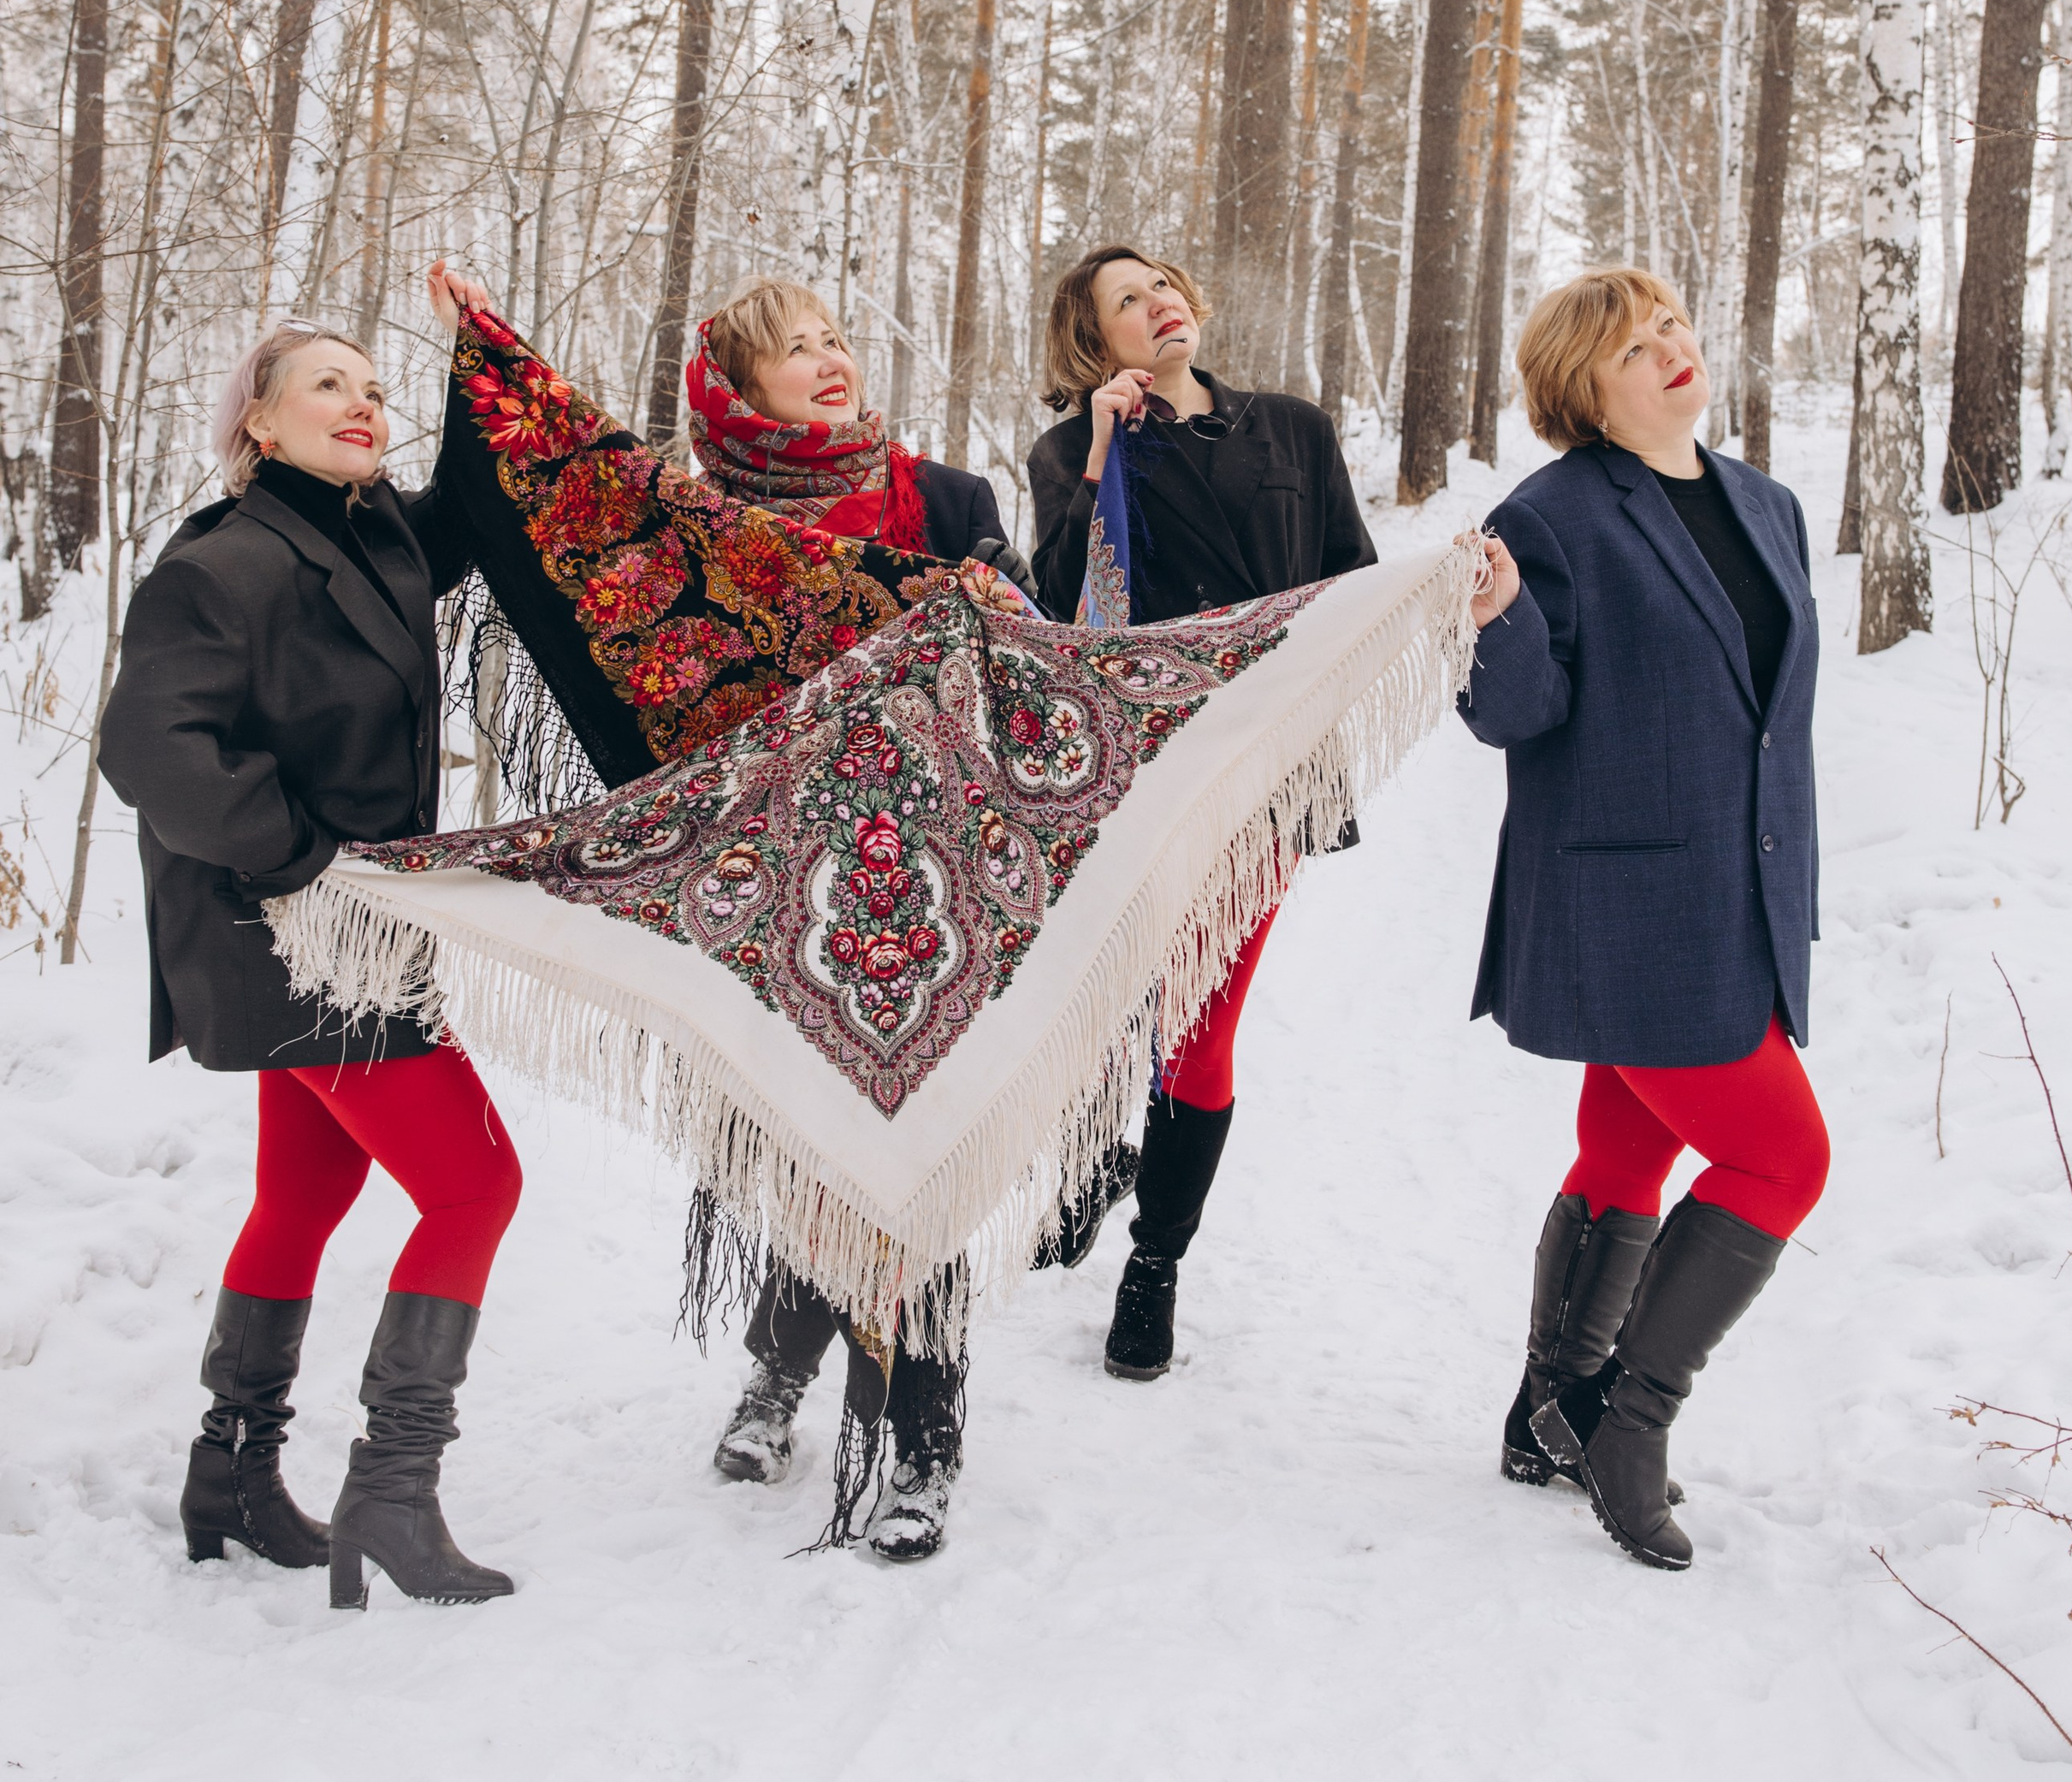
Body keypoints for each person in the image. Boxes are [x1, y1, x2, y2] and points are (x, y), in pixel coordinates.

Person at [433, 266, 1027, 1565]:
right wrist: (485, 358)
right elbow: (557, 526)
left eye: (830, 340)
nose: (827, 361)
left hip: (923, 874)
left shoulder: (946, 502)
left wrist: (989, 612)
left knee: (913, 1153)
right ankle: (780, 1365)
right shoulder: (689, 519)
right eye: (790, 350)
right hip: (758, 887)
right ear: (735, 390)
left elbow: (1030, 661)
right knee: (785, 1147)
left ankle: (923, 1433)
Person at [98, 301, 522, 1609]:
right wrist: (296, 863)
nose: (362, 402)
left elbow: (483, 498)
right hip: (281, 929)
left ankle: (228, 1475)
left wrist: (487, 355)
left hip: (349, 926)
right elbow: (150, 749)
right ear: (258, 422)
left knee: (303, 1198)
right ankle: (392, 1494)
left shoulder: (373, 531)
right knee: (475, 1185)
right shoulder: (222, 565)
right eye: (326, 384)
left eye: (374, 387)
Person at [1459, 267, 1829, 1572]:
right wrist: (1495, 621)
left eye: (1674, 322)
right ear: (1582, 388)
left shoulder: (1765, 504)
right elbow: (1515, 714)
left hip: (1743, 890)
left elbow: (1768, 711)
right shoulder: (1550, 519)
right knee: (1785, 1159)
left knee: (1626, 1149)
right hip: (1630, 903)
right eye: (1632, 343)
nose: (1670, 346)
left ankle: (1548, 1408)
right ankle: (1629, 1425)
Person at [1027, 246, 1376, 1385]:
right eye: (1125, 299)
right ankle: (1086, 1152)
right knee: (1106, 986)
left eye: (1163, 280)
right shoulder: (1073, 451)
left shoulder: (1292, 429)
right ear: (1096, 343)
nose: (1157, 299)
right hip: (1128, 777)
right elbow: (1058, 614)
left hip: (1262, 778)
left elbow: (1350, 582)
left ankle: (1155, 1263)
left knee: (1197, 1021)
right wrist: (1096, 460)